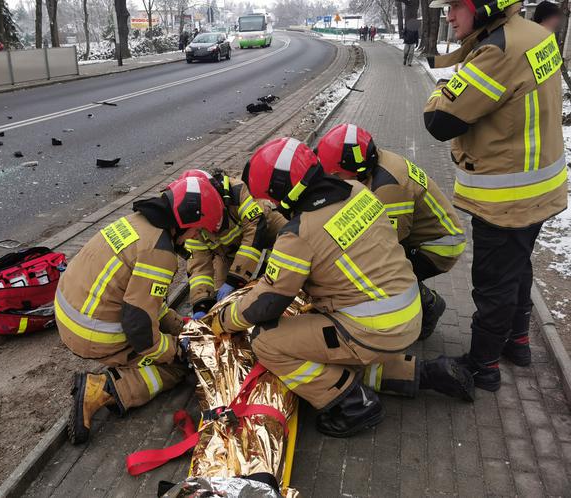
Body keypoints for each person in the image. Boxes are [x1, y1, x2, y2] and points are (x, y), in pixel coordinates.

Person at [210, 138, 474, 438]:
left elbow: (268, 303)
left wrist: (223, 320)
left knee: (267, 341)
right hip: (408, 310)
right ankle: (426, 374)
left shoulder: (298, 234)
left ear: (284, 190)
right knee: (334, 351)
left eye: (270, 198)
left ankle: (353, 403)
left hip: (374, 329)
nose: (272, 206)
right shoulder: (358, 191)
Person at [424, 0, 567, 391]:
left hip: (508, 195)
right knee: (516, 268)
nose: (449, 16)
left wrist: (441, 89)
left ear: (484, 6)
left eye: (455, 6)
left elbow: (439, 121)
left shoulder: (497, 51)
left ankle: (482, 367)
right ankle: (517, 342)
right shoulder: (535, 34)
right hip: (537, 186)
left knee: (492, 282)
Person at [56, 176, 225, 444]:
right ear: (185, 221)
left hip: (71, 314)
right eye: (197, 230)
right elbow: (140, 330)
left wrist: (178, 326)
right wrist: (175, 351)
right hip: (94, 334)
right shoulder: (160, 253)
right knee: (175, 369)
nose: (196, 237)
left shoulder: (137, 223)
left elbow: (140, 300)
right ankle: (101, 389)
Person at [315, 123, 466, 340]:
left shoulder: (389, 188)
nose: (336, 180)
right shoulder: (374, 163)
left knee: (384, 275)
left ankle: (428, 307)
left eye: (337, 175)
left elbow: (384, 245)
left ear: (355, 169)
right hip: (422, 236)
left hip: (440, 246)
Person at [179, 169, 286, 318]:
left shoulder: (237, 192)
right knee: (221, 304)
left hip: (267, 233)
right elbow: (199, 267)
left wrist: (234, 279)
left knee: (291, 251)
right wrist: (201, 304)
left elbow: (255, 232)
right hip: (229, 254)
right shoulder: (192, 223)